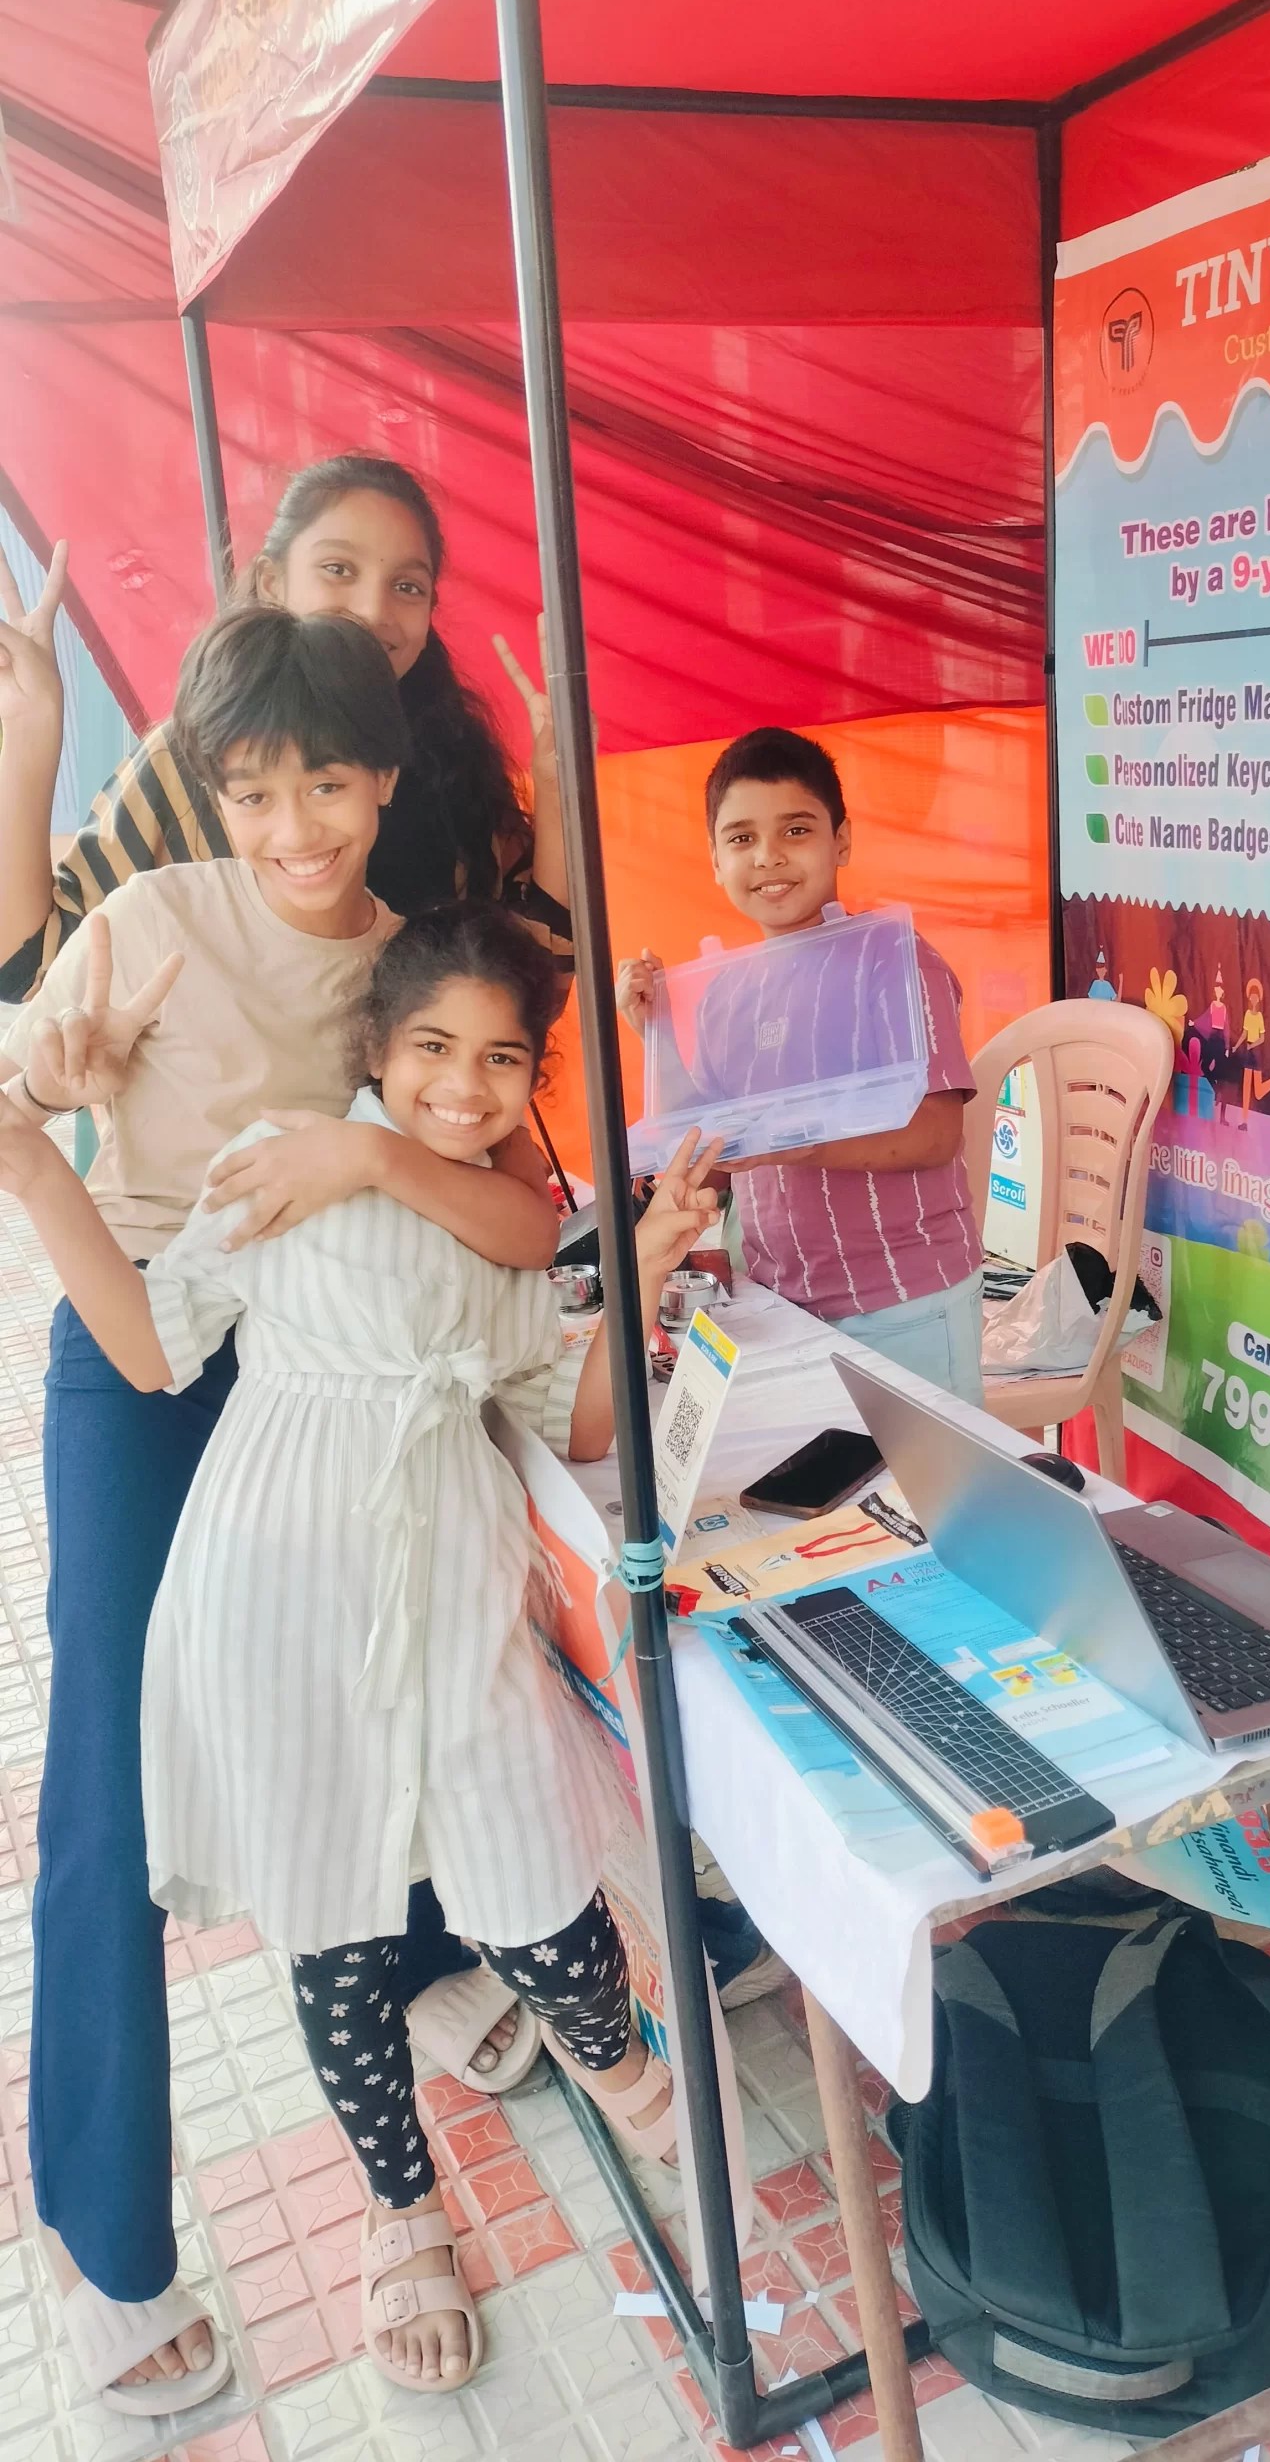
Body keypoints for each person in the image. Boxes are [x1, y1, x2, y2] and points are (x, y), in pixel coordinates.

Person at [0, 902, 718, 2397]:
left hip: (453, 1605)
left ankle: (640, 2091)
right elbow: (151, 1347)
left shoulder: (501, 1220)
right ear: (376, 1048)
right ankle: (404, 2210)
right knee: (334, 1934)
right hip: (276, 1608)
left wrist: (644, 1264)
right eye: (433, 1048)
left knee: (542, 1895)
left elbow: (577, 1418)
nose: (464, 1085)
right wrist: (35, 1169)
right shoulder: (282, 1161)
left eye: (501, 1060)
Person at [0, 600, 560, 2415]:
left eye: (326, 783)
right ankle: (103, 2232)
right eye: (252, 790)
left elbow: (520, 1207)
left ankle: (416, 1992)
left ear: (383, 779)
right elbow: (23, 1073)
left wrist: (377, 1148)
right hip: (143, 1352)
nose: (294, 824)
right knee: (111, 1771)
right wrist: (52, 1081)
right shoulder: (156, 921)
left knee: (387, 1689)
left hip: (330, 1362)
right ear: (210, 792)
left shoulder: (414, 973)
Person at [0, 453, 573, 1003]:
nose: (373, 610)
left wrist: (556, 788)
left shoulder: (455, 765)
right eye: (338, 569)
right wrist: (31, 730)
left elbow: (536, 986)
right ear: (273, 582)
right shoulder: (198, 753)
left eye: (407, 586)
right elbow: (35, 970)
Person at [617, 726, 985, 1402]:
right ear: (714, 859)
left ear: (840, 841)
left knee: (927, 1475)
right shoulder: (725, 992)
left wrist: (792, 1142)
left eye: (795, 830)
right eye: (741, 838)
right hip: (777, 1303)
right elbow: (712, 1158)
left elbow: (936, 1134)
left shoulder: (893, 960)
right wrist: (655, 1032)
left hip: (903, 1303)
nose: (768, 857)